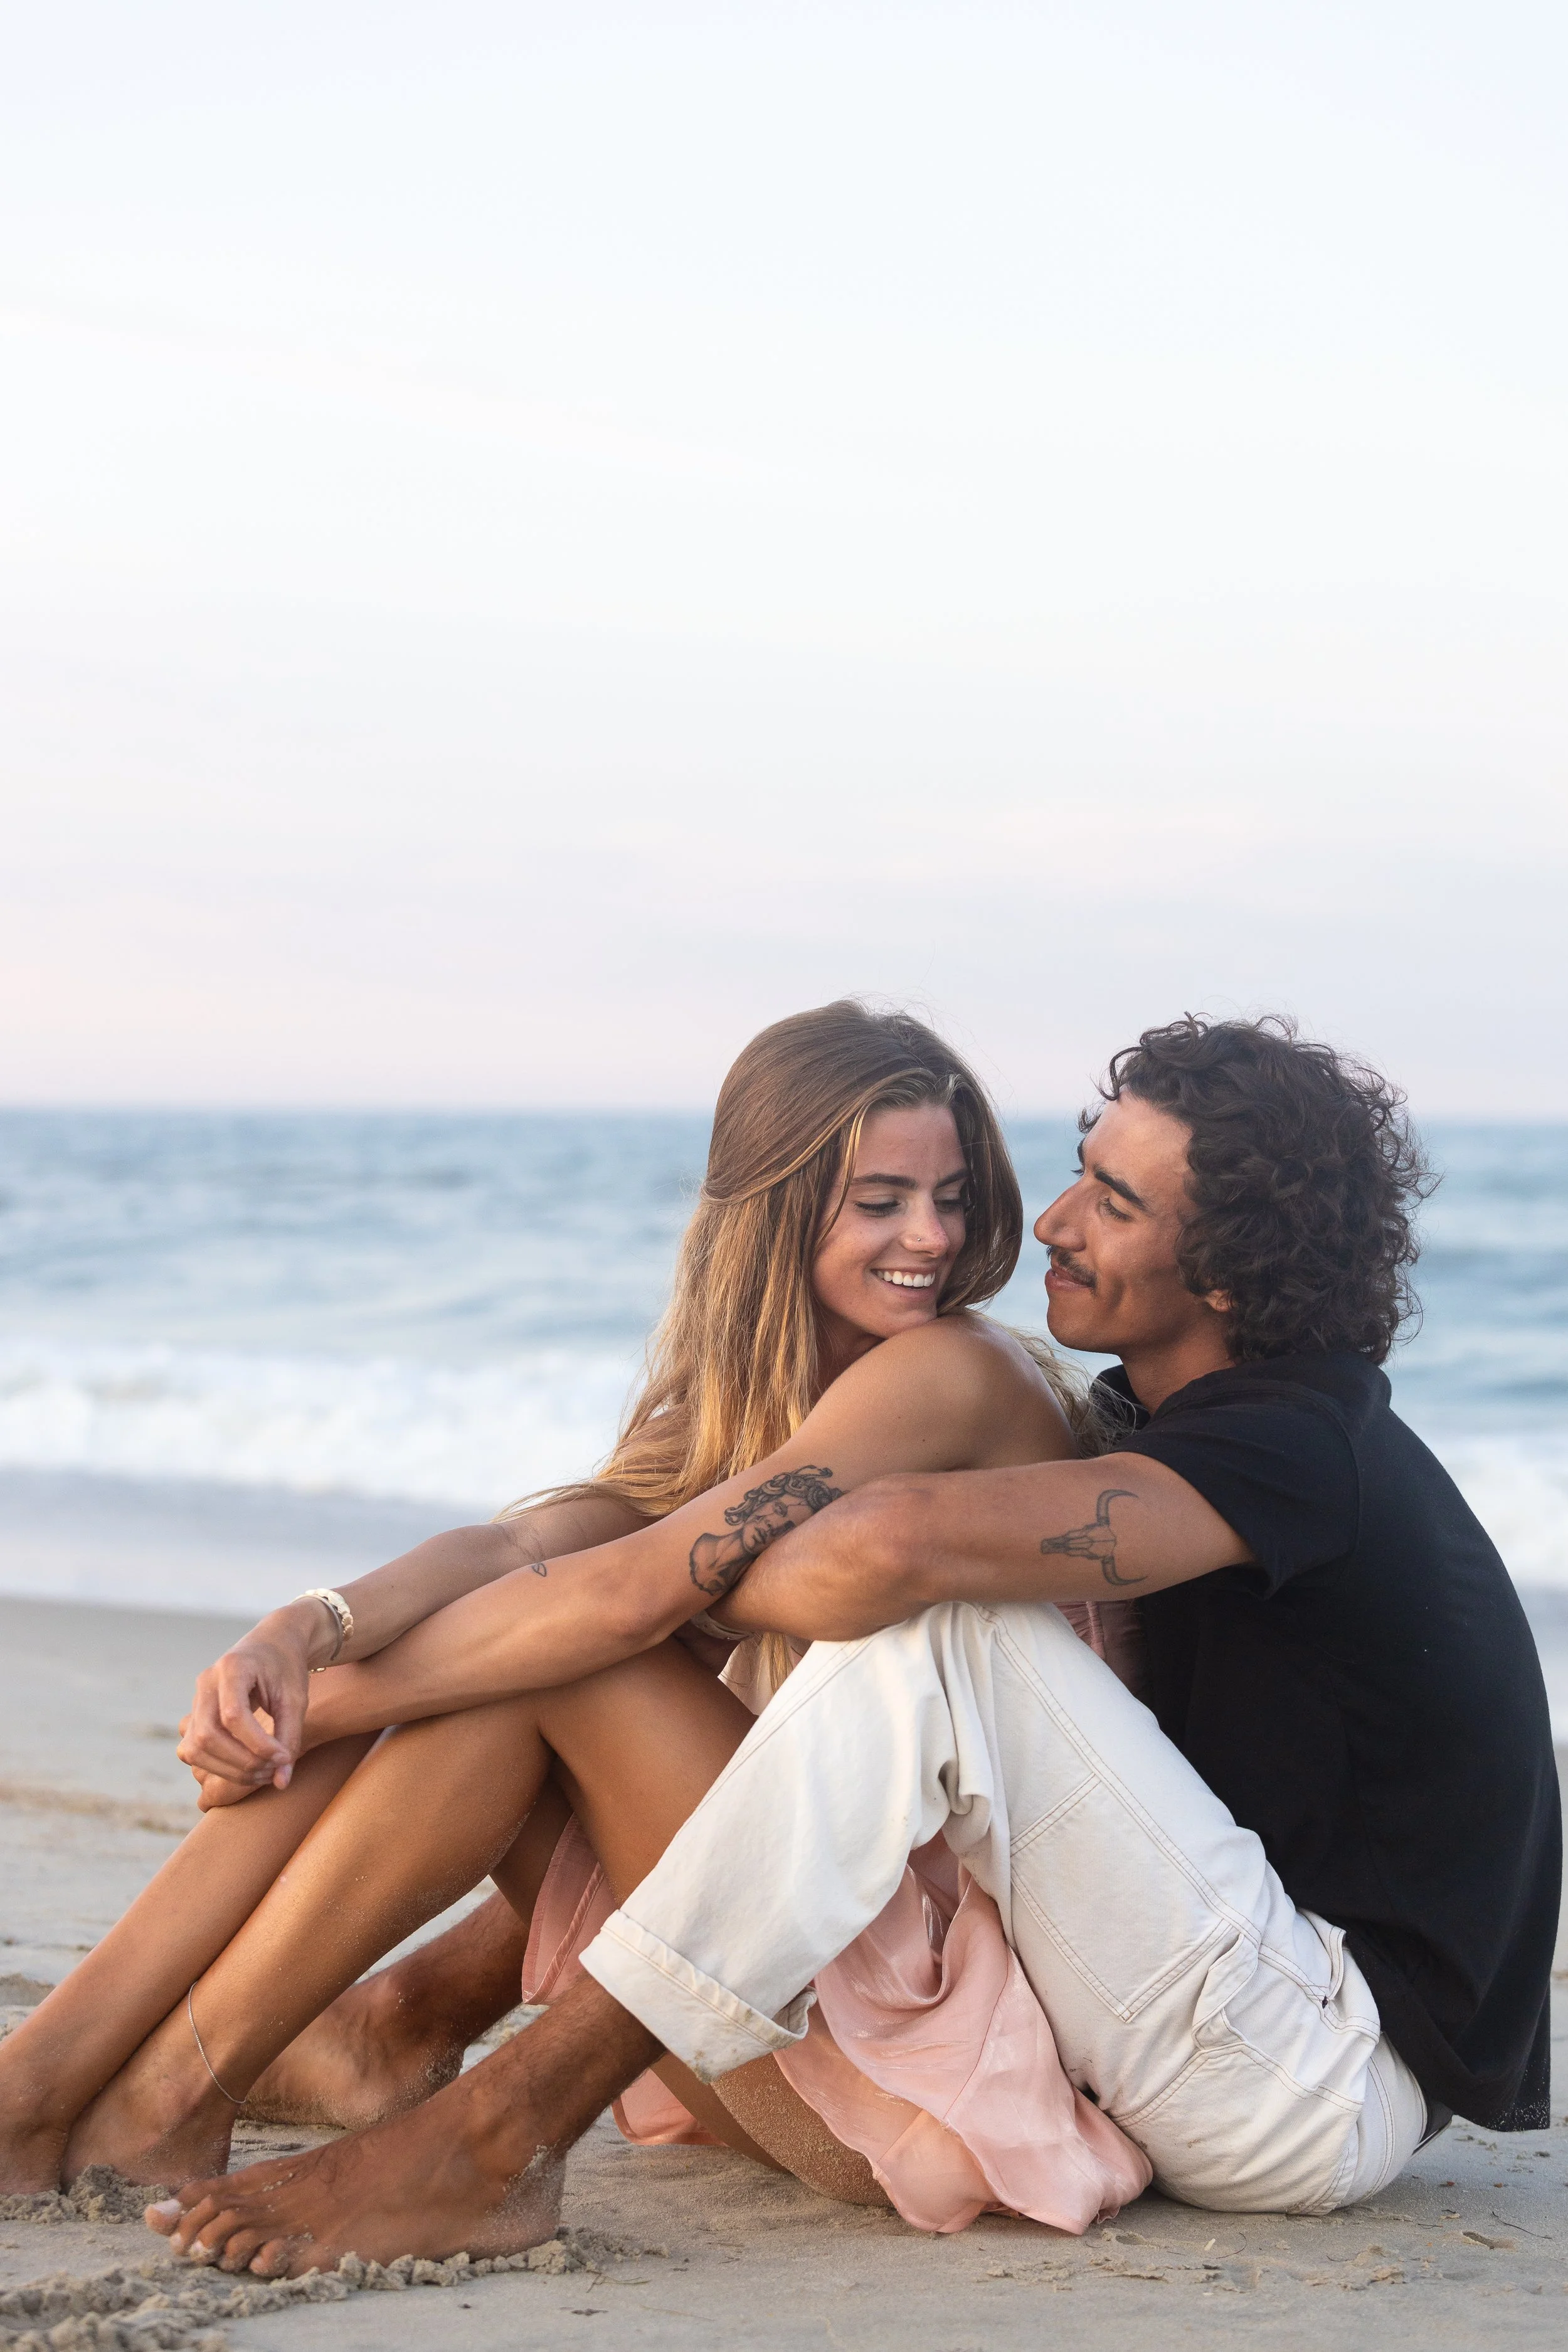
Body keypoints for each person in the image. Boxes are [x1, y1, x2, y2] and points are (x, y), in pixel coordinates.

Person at [139, 1015, 1559, 2279]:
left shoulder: (1296, 1449)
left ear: (1233, 1276)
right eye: (1074, 1167)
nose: (1046, 1221)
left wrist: (653, 1597)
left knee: (940, 1625)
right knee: (694, 1649)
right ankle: (316, 2050)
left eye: (1112, 1203)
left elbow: (875, 1553)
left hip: (1313, 2076)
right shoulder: (1170, 1424)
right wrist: (329, 1645)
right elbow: (565, 1541)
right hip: (1204, 2015)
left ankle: (498, 2127)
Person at [0, 1000, 1131, 2223]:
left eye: (949, 1197)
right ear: (772, 1209)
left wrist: (330, 1705)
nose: (929, 1235)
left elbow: (612, 1600)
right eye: (880, 1201)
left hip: (943, 2076)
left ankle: (112, 2098)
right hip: (793, 2033)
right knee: (507, 1641)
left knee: (547, 1662)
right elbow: (519, 1545)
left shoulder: (952, 1375)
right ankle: (74, 2093)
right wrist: (298, 1632)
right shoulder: (753, 1415)